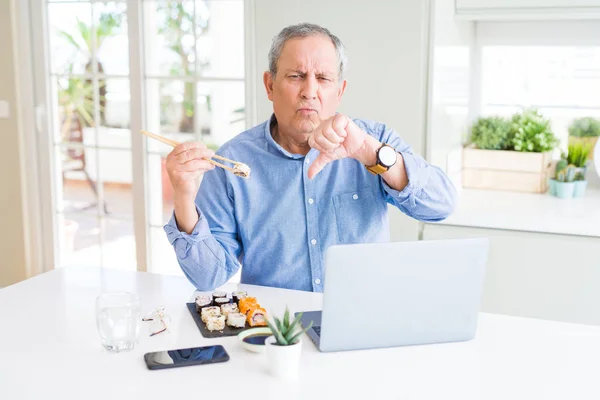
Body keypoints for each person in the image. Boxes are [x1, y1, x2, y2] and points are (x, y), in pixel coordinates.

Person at [164, 23, 457, 292]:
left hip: (362, 321)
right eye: (296, 76)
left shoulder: (374, 141)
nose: (310, 92)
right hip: (275, 331)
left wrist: (371, 154)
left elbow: (441, 205)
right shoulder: (232, 161)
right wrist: (184, 199)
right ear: (269, 85)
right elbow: (207, 277)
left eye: (324, 78)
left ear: (339, 90)